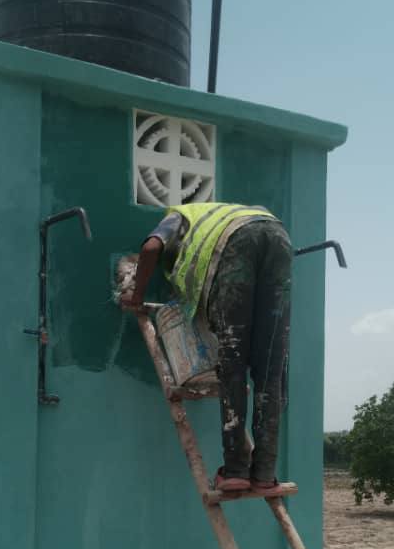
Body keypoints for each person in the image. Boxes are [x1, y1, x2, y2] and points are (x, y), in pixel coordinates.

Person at [121, 202, 292, 495]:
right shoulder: (224, 212)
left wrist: (137, 295)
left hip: (237, 245)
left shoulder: (177, 216)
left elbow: (150, 249)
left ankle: (235, 470)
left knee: (232, 364)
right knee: (270, 370)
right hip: (279, 236)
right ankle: (264, 472)